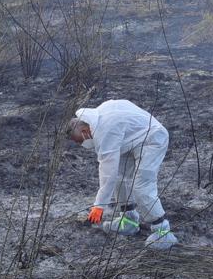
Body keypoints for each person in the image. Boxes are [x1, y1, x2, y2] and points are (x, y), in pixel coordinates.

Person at [67, 100, 177, 250]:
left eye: (80, 141)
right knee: (121, 177)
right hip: (132, 139)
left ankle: (163, 231)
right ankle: (129, 221)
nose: (82, 145)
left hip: (153, 139)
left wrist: (99, 206)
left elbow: (107, 172)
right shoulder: (98, 115)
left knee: (141, 186)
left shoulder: (104, 130)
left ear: (85, 132)